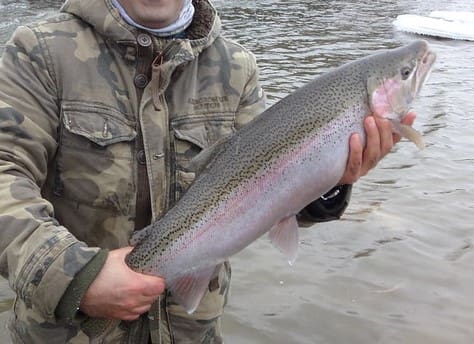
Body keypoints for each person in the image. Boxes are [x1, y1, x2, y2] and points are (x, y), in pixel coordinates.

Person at [0, 0, 416, 343]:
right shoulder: (40, 52)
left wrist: (333, 181)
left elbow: (273, 190)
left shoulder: (236, 67)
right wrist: (78, 277)